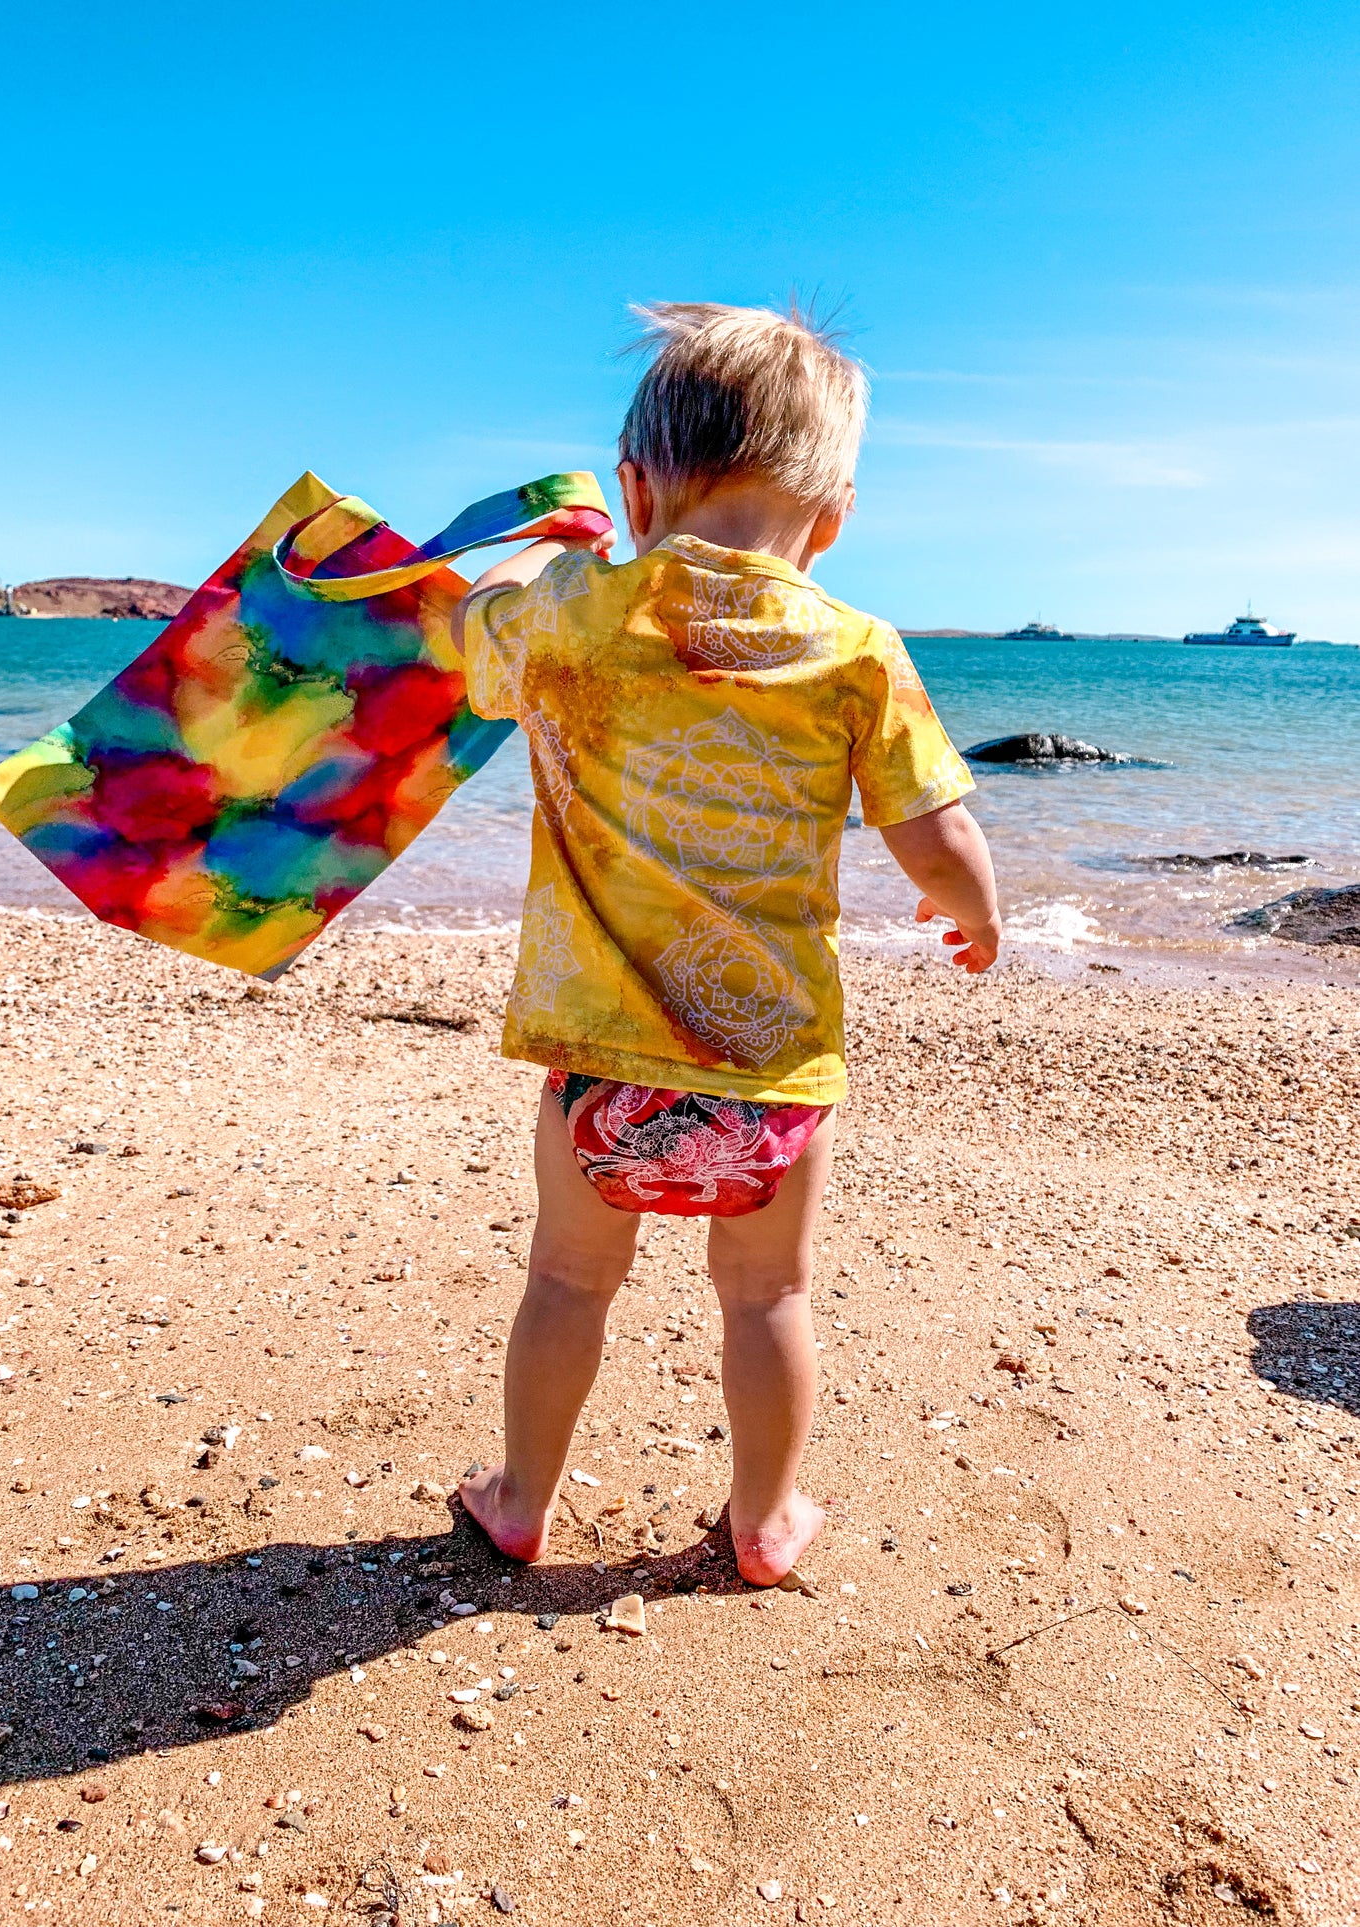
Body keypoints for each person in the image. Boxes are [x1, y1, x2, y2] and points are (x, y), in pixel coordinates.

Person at [450, 303, 999, 1585]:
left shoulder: (573, 616)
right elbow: (935, 833)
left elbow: (470, 640)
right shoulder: (859, 651)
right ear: (835, 514)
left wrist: (530, 558)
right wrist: (974, 913)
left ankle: (523, 1498)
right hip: (769, 1071)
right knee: (765, 1298)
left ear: (634, 486)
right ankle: (762, 1522)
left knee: (567, 1284)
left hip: (600, 1068)